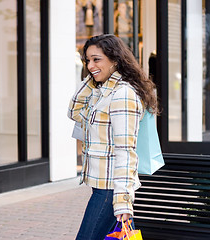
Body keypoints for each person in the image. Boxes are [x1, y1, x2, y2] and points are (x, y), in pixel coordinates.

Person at [67, 34, 158, 240]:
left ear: (115, 60)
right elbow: (74, 111)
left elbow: (126, 151)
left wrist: (123, 201)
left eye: (96, 59)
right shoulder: (103, 92)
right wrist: (91, 79)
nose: (90, 65)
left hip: (110, 190)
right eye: (87, 60)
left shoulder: (122, 95)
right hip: (102, 187)